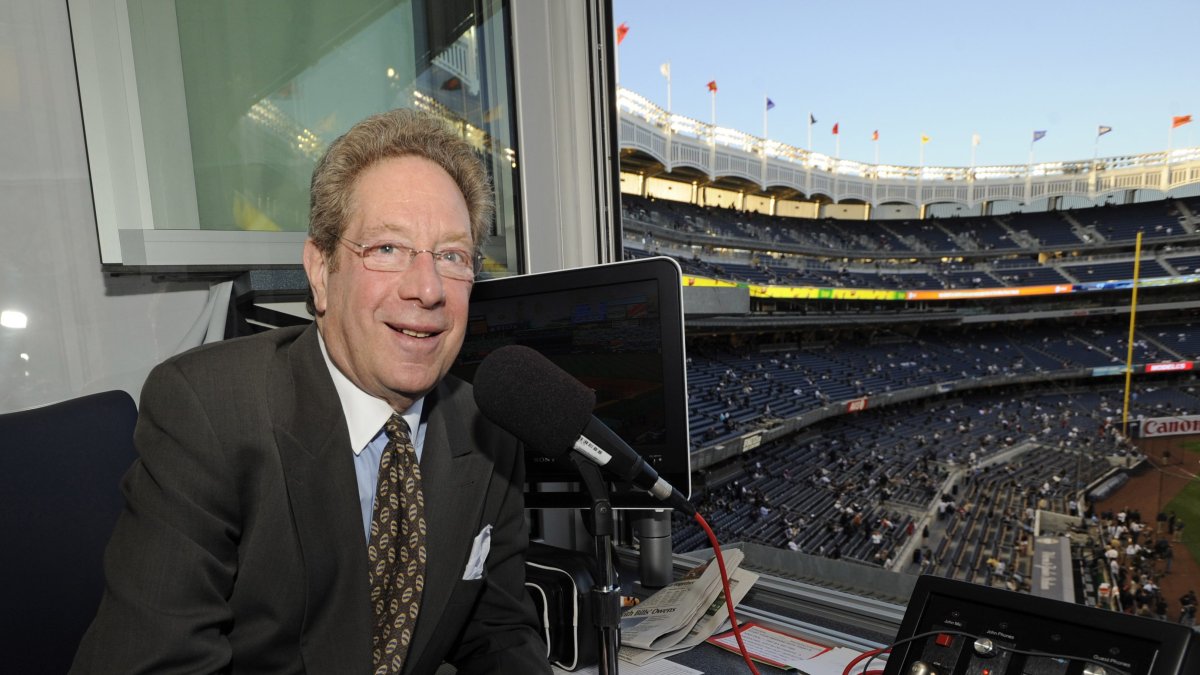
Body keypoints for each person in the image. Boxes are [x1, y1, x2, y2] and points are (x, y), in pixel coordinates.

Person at [71, 109, 551, 674]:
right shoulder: (207, 411)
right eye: (388, 249)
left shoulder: (490, 425)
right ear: (320, 272)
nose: (427, 289)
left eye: (452, 256)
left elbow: (499, 634)